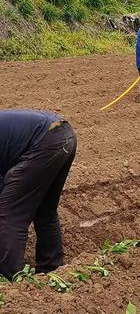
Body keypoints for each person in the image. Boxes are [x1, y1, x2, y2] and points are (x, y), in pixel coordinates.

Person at [0, 109, 77, 280]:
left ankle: (9, 278)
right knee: (45, 210)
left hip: (46, 141)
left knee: (10, 214)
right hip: (64, 133)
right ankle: (52, 268)